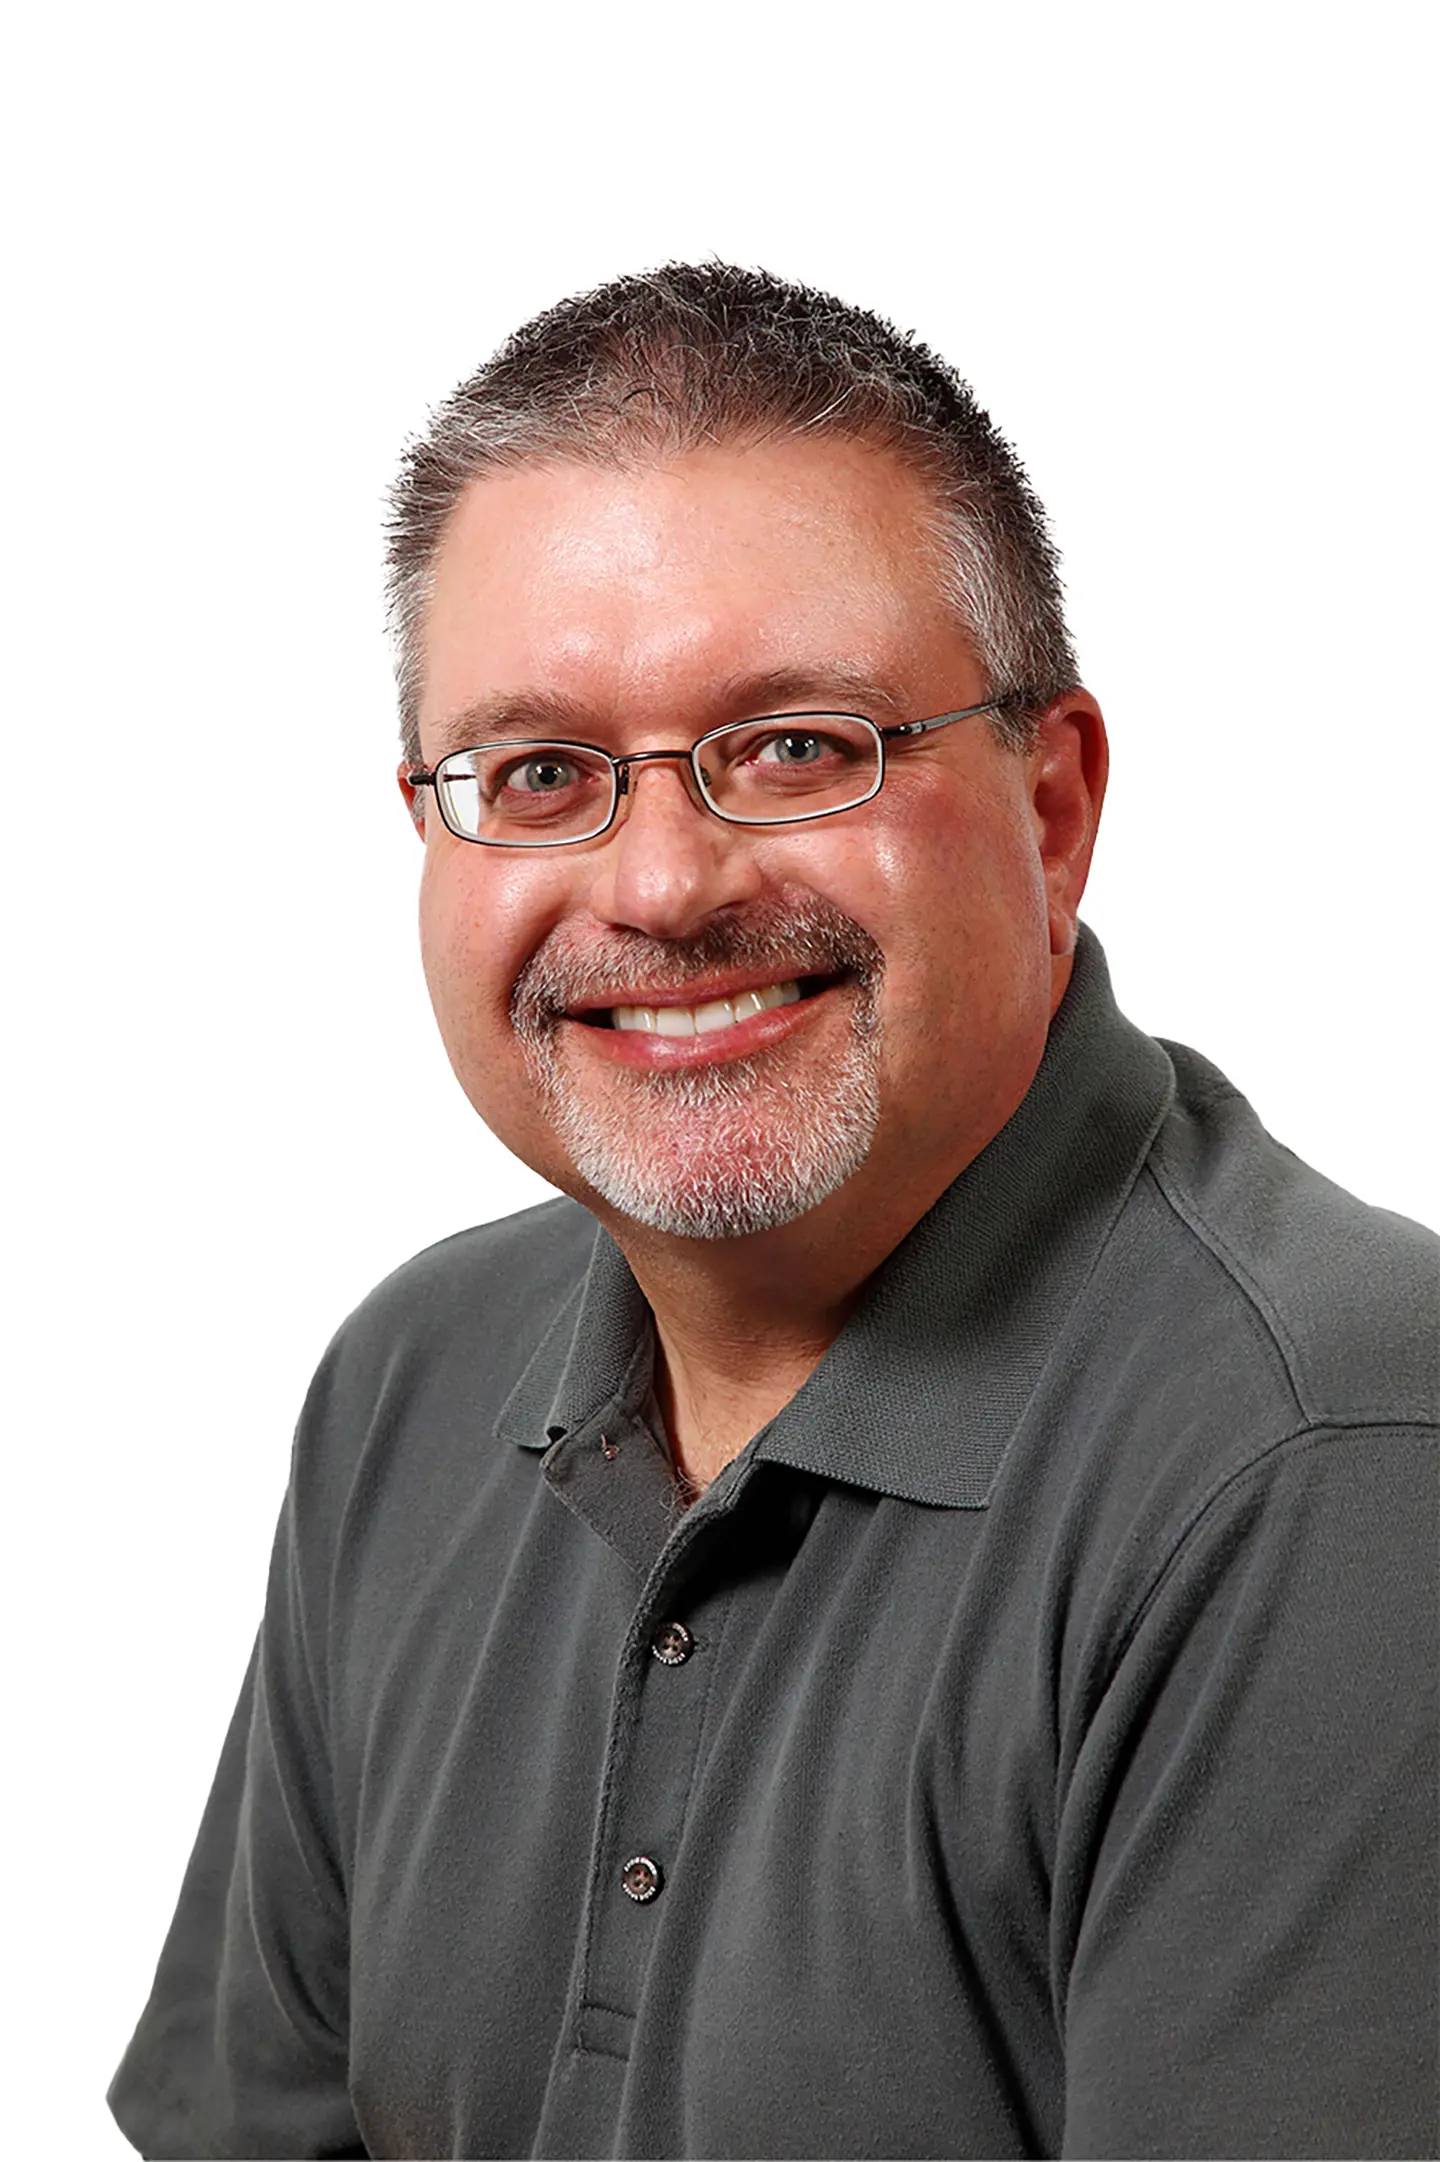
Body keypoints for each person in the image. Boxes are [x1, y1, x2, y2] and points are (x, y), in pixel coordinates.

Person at [110, 263, 1438, 2161]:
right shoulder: (410, 1383)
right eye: (544, 772)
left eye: (797, 743)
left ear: (1049, 808)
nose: (660, 881)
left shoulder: (1333, 1469)